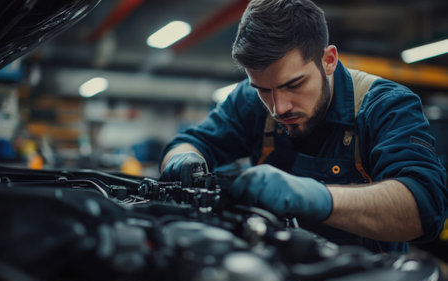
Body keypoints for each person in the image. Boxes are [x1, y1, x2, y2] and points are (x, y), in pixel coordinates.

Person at [159, 0, 447, 253]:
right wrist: (184, 158)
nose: (278, 107)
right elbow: (192, 142)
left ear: (328, 60)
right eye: (264, 90)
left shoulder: (384, 106)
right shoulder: (250, 100)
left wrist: (318, 198)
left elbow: (424, 209)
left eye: (293, 84)